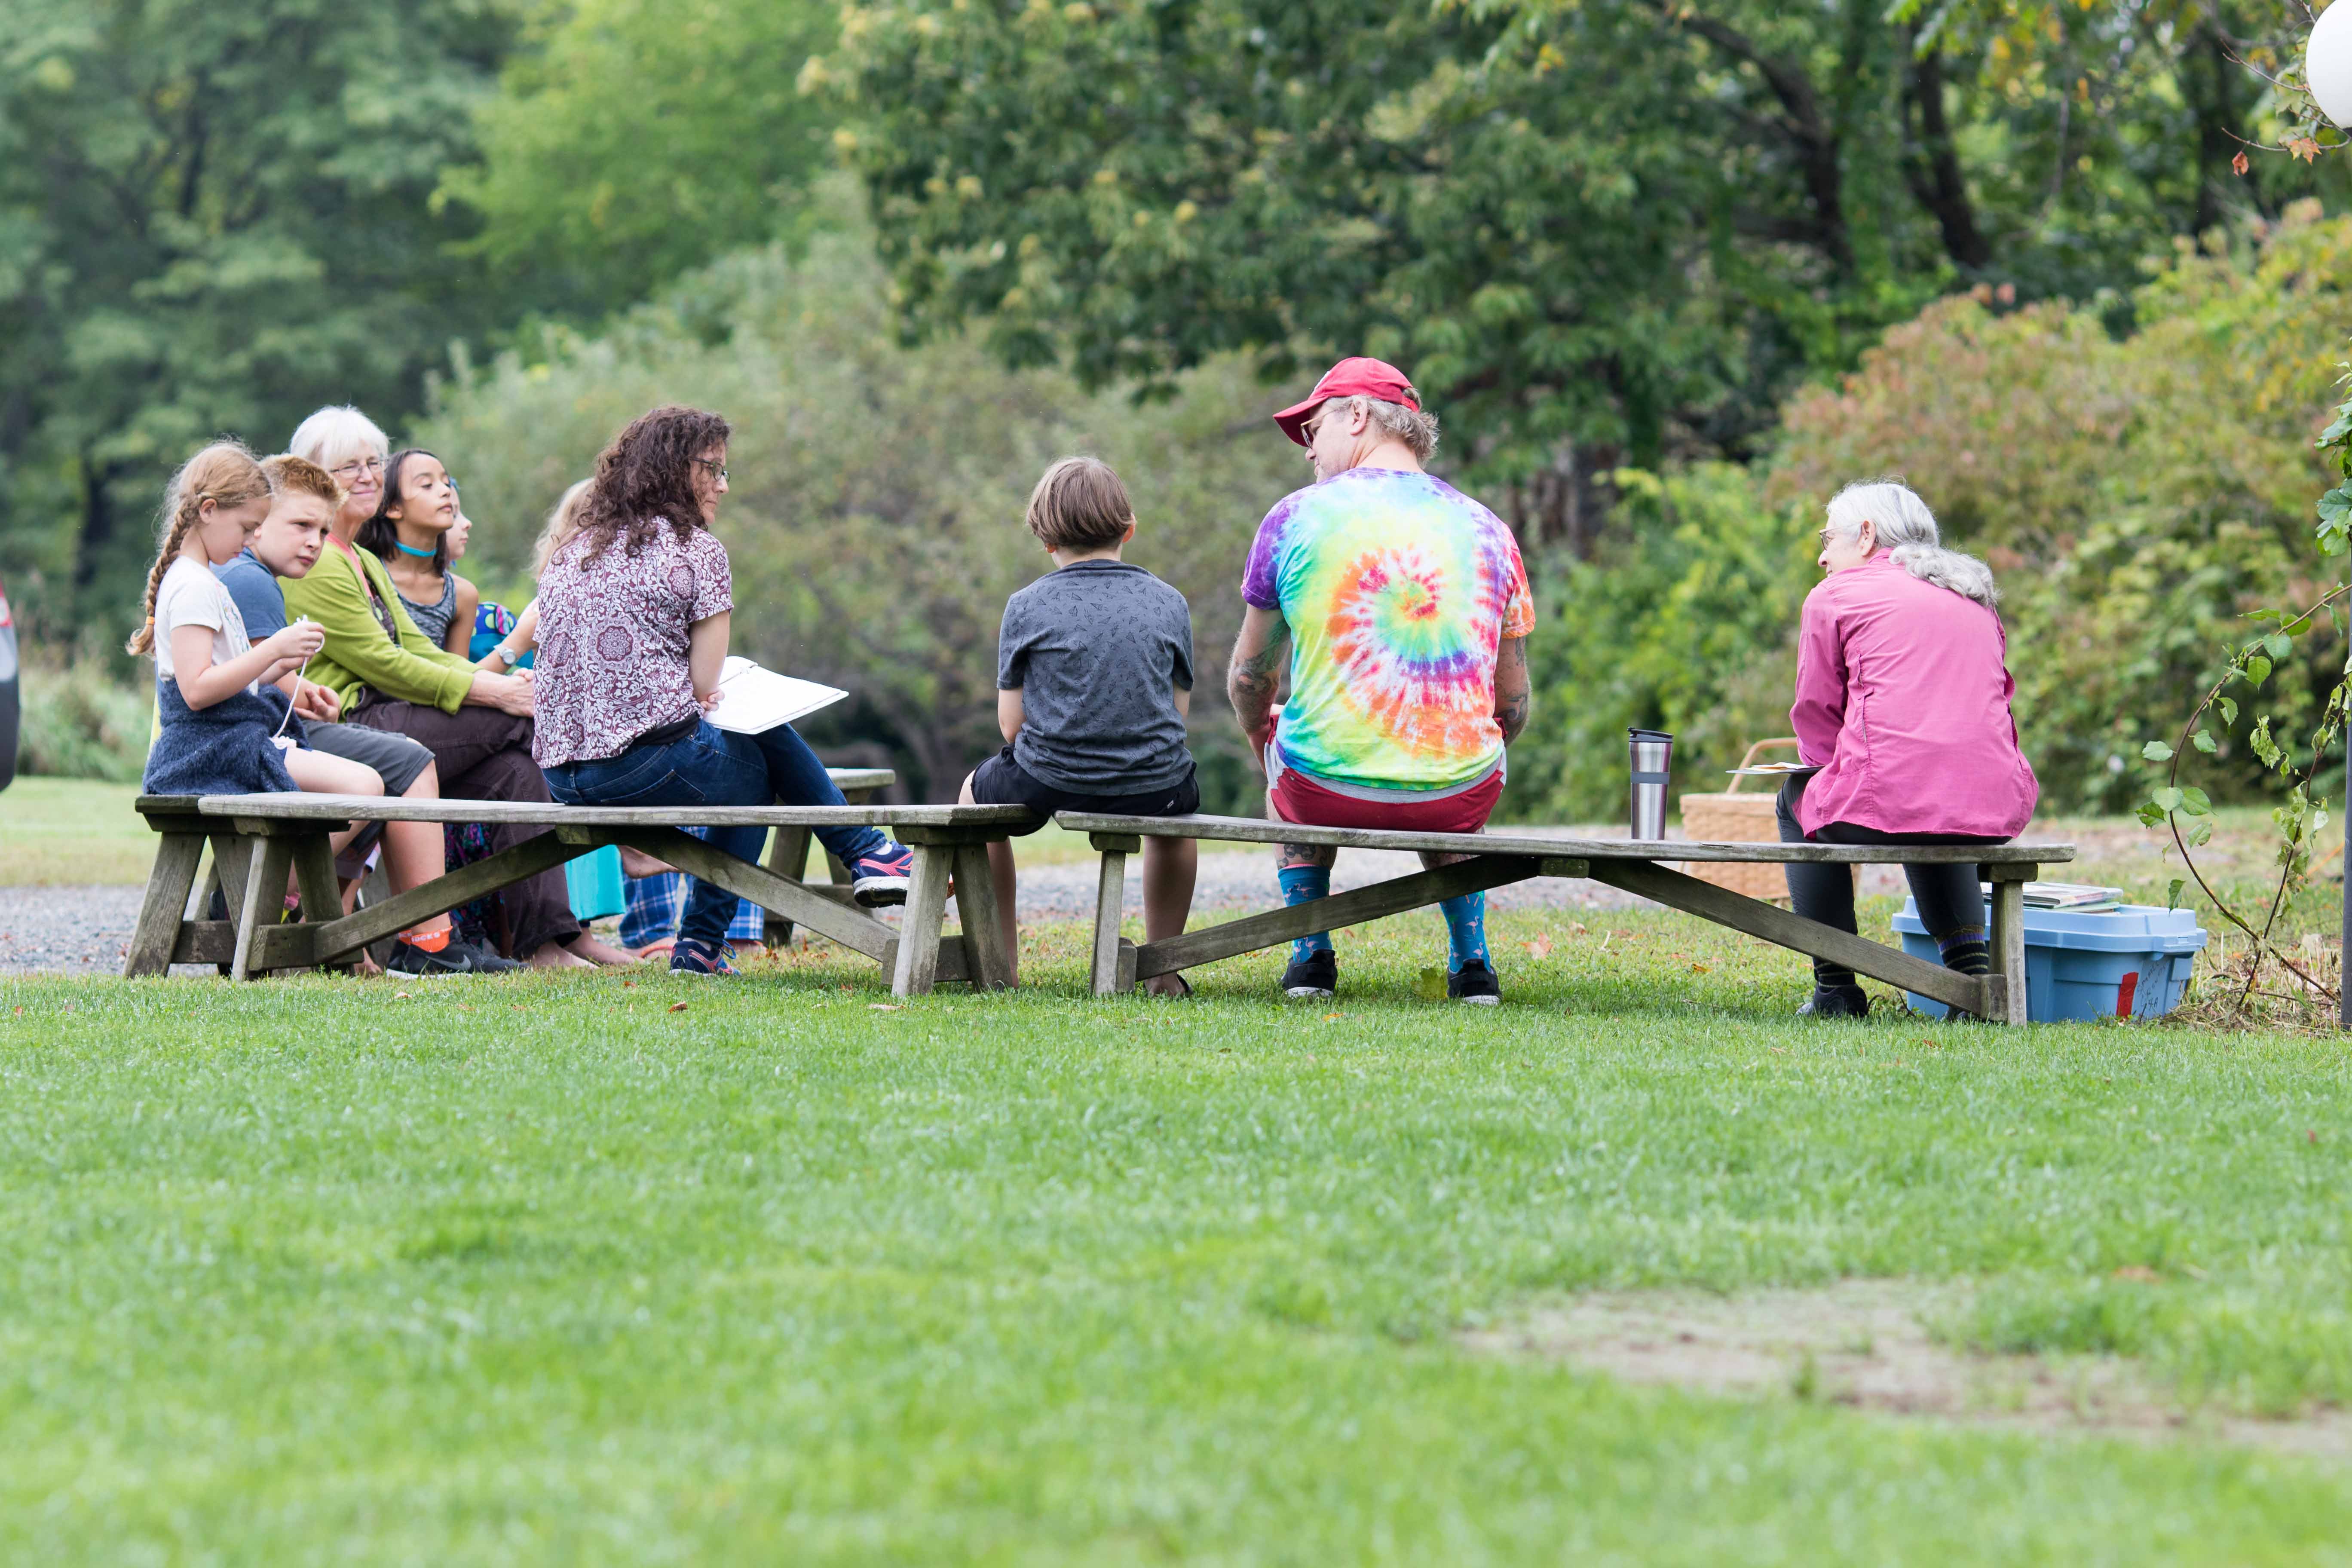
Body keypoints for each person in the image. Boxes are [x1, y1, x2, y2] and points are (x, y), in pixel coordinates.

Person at [532, 404, 918, 976]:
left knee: (752, 749)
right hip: (637, 769)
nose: (722, 487)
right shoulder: (697, 551)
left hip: (561, 777)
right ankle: (709, 942)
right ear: (673, 469)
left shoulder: (574, 549)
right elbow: (706, 681)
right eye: (712, 469)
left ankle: (867, 854)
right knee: (757, 771)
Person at [1226, 358, 1534, 1004]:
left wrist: (1262, 735)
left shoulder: (1292, 519)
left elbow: (1251, 678)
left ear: (1359, 416)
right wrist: (1459, 751)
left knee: (1286, 744)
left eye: (1314, 429)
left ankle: (1310, 960)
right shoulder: (1491, 530)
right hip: (1462, 794)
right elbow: (1513, 702)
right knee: (1459, 752)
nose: (1309, 451)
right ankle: (1473, 966)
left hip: (1320, 789)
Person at [281, 406, 628, 969]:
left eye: (374, 463)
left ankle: (547, 943)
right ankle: (426, 940)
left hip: (393, 713)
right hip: (350, 722)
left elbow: (420, 651)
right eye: (350, 467)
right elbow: (383, 664)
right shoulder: (320, 560)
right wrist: (500, 695)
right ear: (314, 478)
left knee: (520, 772)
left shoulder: (361, 557)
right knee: (523, 720)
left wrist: (494, 680)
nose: (368, 475)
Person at [213, 454, 521, 975]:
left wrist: (301, 687)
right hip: (252, 741)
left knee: (386, 768)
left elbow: (253, 669)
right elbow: (244, 673)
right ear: (258, 520)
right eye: (302, 526)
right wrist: (503, 680)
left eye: (321, 529)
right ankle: (413, 935)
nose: (315, 540)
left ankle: (324, 925)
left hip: (275, 728)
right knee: (399, 766)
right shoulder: (255, 580)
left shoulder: (306, 568)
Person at [1778, 479, 2039, 1018]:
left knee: (1796, 799)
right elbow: (1997, 701)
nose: (1823, 557)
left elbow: (1816, 712)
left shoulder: (1834, 597)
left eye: (1828, 540)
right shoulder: (1973, 595)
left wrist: (1824, 773)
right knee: (1931, 796)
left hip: (1893, 797)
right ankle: (1968, 978)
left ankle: (1835, 989)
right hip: (1992, 804)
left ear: (1867, 534)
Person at [958, 457, 1199, 992]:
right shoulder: (1170, 603)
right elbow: (1177, 715)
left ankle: (1001, 967)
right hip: (1154, 784)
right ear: (1129, 529)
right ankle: (1164, 970)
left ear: (1046, 541)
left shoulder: (1026, 606)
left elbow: (1010, 727)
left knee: (973, 801)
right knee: (1177, 827)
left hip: (1050, 778)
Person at [131, 441, 381, 822]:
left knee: (365, 785)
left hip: (224, 742)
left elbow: (234, 677)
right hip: (205, 751)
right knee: (363, 787)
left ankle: (272, 883)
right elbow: (197, 691)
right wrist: (273, 648)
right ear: (209, 511)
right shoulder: (193, 586)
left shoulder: (206, 581)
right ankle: (274, 885)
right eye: (247, 528)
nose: (250, 541)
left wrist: (284, 660)